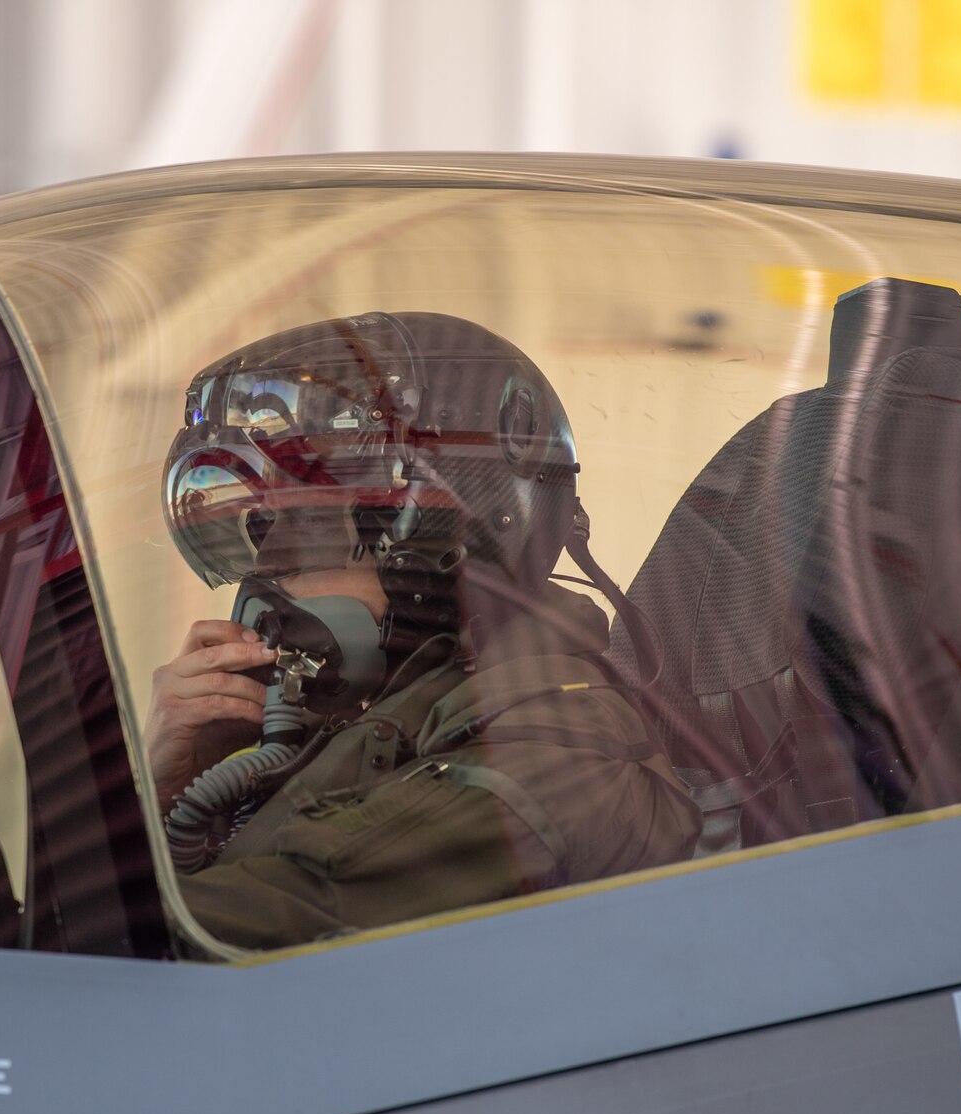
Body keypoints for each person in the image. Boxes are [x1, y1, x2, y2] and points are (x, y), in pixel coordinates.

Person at [146, 311, 700, 953]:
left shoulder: (550, 752)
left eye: (306, 555)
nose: (262, 598)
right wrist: (164, 788)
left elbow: (264, 920)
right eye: (264, 563)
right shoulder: (378, 726)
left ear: (439, 557)